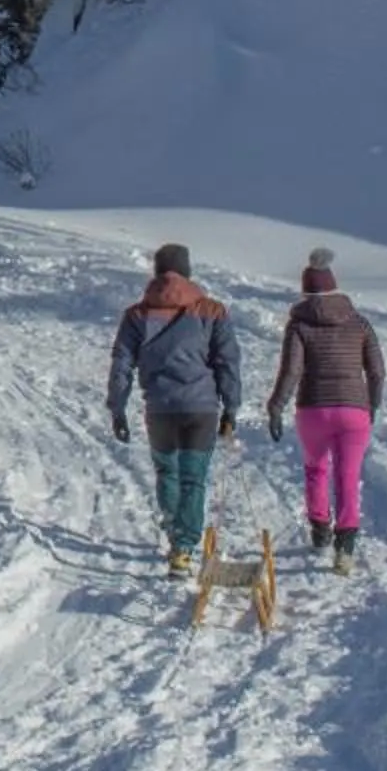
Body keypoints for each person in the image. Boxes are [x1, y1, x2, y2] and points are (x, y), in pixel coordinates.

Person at [106, 241, 241, 576]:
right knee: (194, 479)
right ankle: (184, 549)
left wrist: (117, 407)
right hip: (202, 408)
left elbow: (121, 364)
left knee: (168, 472)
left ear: (157, 271)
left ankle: (173, 532)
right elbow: (227, 362)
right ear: (188, 271)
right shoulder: (212, 311)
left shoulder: (136, 315)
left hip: (160, 408)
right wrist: (231, 407)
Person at [265, 245, 384, 575]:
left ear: (306, 291)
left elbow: (291, 371)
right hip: (354, 411)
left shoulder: (299, 326)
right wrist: (371, 403)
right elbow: (376, 371)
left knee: (316, 469)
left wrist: (276, 407)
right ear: (335, 287)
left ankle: (320, 531)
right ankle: (344, 548)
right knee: (348, 475)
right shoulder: (360, 323)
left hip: (313, 409)